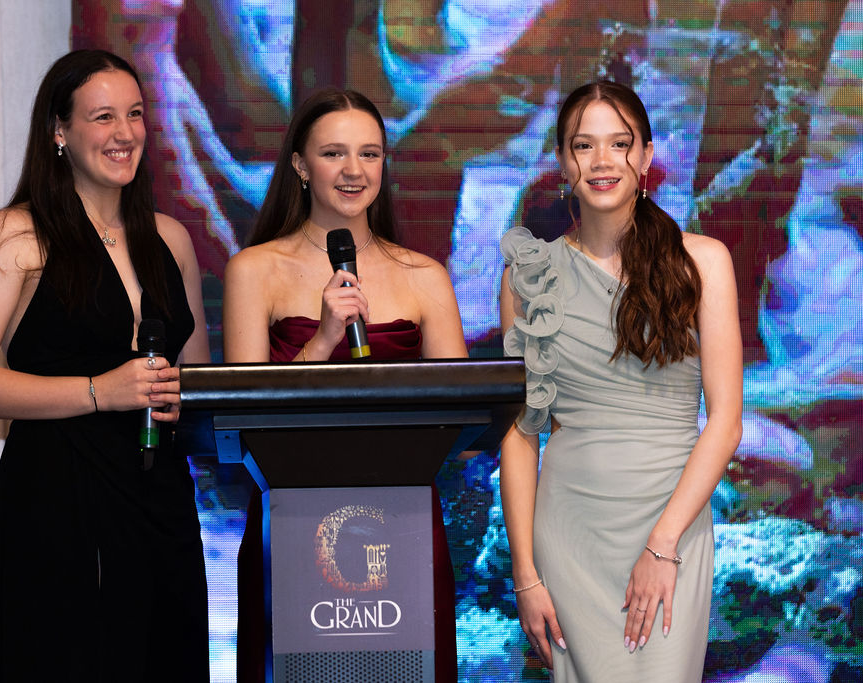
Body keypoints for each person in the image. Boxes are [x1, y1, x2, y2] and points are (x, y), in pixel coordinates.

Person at [0, 49, 210, 681]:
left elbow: (194, 384)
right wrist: (98, 391)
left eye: (135, 114)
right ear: (59, 131)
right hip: (58, 496)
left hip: (160, 496)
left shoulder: (171, 239)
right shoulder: (17, 234)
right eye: (103, 116)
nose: (124, 133)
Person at [498, 80, 742, 681]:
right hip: (568, 533)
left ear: (646, 156)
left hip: (670, 525)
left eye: (620, 143)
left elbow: (726, 423)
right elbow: (521, 433)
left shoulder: (703, 262)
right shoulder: (528, 277)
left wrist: (663, 545)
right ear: (563, 162)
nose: (602, 161)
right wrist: (525, 574)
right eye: (584, 145)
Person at [222, 87, 467, 682]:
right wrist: (323, 338)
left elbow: (463, 420)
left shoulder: (425, 276)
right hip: (291, 523)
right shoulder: (255, 270)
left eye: (370, 154)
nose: (354, 170)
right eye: (334, 153)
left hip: (403, 527)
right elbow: (243, 418)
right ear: (301, 166)